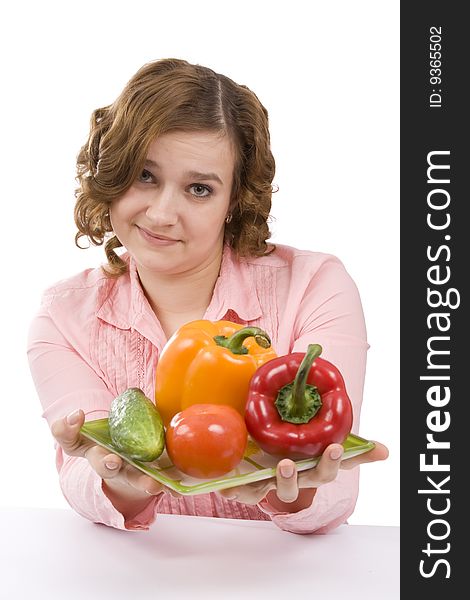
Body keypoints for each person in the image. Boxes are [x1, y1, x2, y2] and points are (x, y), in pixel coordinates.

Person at [27, 57, 388, 534]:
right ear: (112, 173)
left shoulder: (314, 285)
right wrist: (123, 481)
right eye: (145, 175)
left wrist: (299, 490)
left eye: (199, 188)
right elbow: (83, 476)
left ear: (235, 199)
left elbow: (333, 485)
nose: (161, 213)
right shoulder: (64, 317)